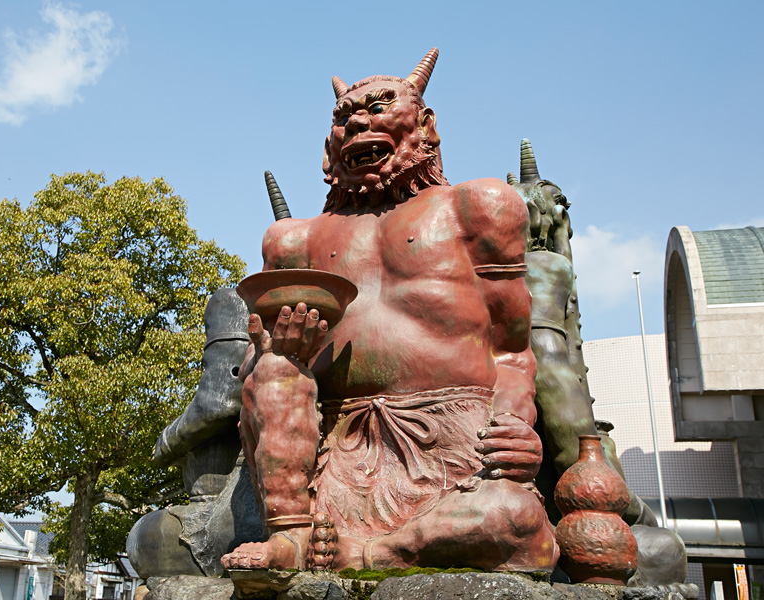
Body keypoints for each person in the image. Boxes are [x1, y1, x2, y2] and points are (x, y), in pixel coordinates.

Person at [221, 50, 557, 573]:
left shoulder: (481, 206)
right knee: (274, 370)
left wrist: (516, 424)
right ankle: (289, 535)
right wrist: (282, 352)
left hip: (458, 442)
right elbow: (253, 371)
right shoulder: (293, 240)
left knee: (511, 517)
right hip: (332, 444)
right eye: (344, 116)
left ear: (425, 124)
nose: (357, 121)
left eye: (379, 107)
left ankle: (378, 553)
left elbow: (512, 350)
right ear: (329, 146)